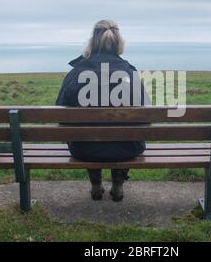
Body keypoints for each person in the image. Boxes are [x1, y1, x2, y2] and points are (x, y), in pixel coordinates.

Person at [56, 19, 147, 202]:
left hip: (84, 150)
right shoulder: (130, 73)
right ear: (118, 43)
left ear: (93, 41)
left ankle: (95, 184)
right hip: (127, 149)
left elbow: (60, 115)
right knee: (121, 134)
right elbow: (145, 116)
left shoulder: (76, 74)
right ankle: (118, 182)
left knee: (88, 133)